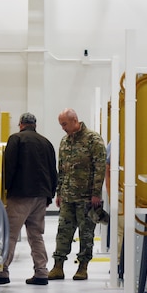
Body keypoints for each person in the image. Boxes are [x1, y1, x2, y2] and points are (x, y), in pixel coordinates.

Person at [0, 112, 58, 286]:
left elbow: (9, 166)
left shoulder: (16, 139)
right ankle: (41, 272)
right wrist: (50, 194)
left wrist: (4, 190)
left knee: (10, 234)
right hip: (41, 197)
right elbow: (54, 171)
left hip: (20, 195)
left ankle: (1, 271)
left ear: (20, 124)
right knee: (36, 235)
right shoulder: (46, 143)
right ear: (35, 125)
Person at [48, 108, 107, 281]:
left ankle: (83, 267)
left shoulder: (93, 140)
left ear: (75, 120)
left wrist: (96, 193)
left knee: (86, 233)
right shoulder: (65, 142)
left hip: (86, 197)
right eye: (61, 125)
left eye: (64, 124)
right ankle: (58, 266)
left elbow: (100, 168)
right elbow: (62, 169)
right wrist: (59, 192)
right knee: (63, 232)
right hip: (67, 196)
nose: (63, 128)